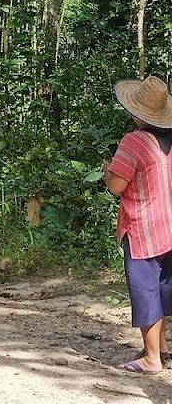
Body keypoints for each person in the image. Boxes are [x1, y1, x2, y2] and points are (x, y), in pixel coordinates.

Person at [104, 75, 172, 374]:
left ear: (136, 113)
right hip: (170, 226)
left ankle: (151, 357)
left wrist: (107, 171)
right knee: (164, 287)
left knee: (145, 289)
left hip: (144, 227)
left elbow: (117, 185)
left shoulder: (134, 142)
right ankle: (163, 345)